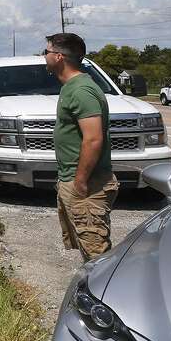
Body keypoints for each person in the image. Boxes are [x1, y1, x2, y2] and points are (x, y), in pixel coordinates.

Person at [43, 32, 118, 260]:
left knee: (96, 253)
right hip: (74, 180)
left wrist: (81, 181)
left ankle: (102, 294)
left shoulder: (82, 91)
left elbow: (93, 139)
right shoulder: (70, 87)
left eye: (45, 52)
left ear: (58, 57)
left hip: (87, 186)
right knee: (87, 249)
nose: (43, 56)